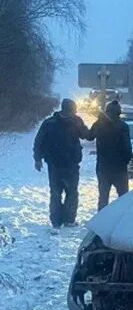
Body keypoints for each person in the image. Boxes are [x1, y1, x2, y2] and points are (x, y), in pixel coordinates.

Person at [33, 98, 90, 229]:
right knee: (64, 192)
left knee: (62, 192)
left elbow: (86, 135)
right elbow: (39, 141)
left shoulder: (49, 123)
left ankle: (60, 220)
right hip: (63, 164)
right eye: (74, 110)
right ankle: (62, 220)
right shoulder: (73, 121)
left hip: (60, 164)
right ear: (69, 110)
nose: (75, 113)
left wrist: (38, 158)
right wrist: (37, 158)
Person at [87, 100, 132, 209]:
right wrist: (126, 160)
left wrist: (99, 120)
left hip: (103, 166)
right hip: (119, 167)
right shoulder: (123, 126)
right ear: (119, 113)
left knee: (103, 197)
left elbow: (89, 136)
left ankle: (101, 219)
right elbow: (127, 147)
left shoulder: (99, 124)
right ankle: (122, 219)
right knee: (123, 196)